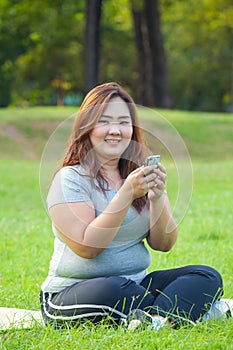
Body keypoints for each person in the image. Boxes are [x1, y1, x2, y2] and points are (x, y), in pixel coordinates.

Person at [40, 82, 225, 330]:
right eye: (104, 121)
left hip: (137, 284)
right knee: (115, 288)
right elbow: (87, 247)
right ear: (87, 127)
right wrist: (126, 193)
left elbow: (164, 244)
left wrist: (157, 197)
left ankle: (157, 321)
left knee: (206, 276)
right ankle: (185, 311)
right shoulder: (70, 178)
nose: (115, 130)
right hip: (74, 293)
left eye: (123, 122)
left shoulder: (138, 173)